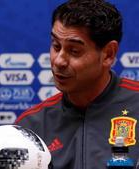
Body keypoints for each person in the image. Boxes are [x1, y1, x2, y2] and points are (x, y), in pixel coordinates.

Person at [16, 0, 139, 168]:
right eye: (56, 46)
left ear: (108, 54)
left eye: (74, 51)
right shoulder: (30, 126)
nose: (59, 61)